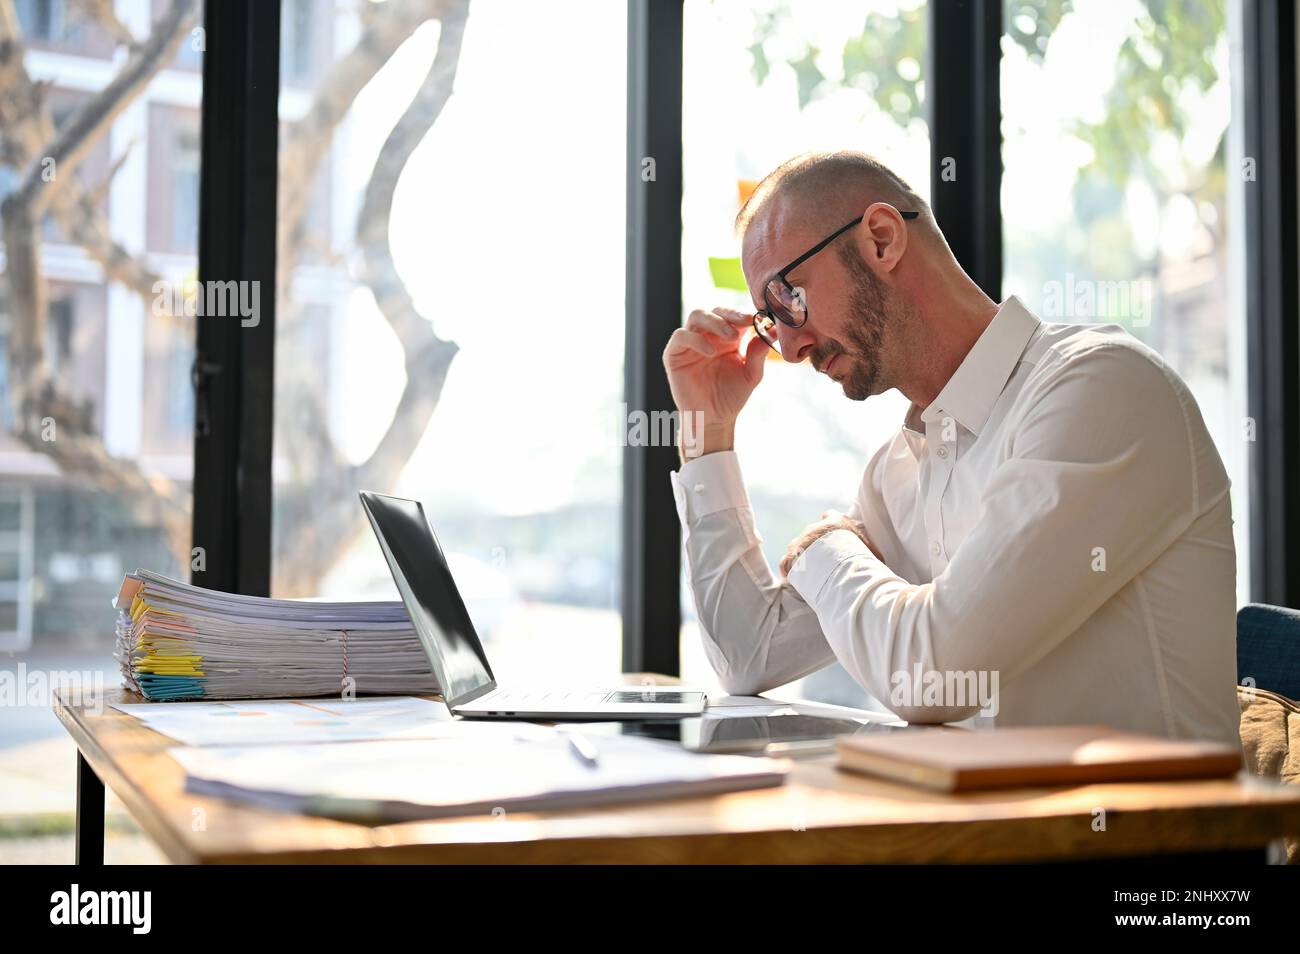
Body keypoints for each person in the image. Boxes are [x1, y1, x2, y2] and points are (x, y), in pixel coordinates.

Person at [662, 149, 1240, 745]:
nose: (788, 347)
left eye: (789, 297)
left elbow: (938, 676)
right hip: (979, 834)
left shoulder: (1102, 389)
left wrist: (825, 549)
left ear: (882, 240)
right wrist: (707, 434)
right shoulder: (898, 471)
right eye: (767, 319)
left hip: (1142, 836)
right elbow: (748, 655)